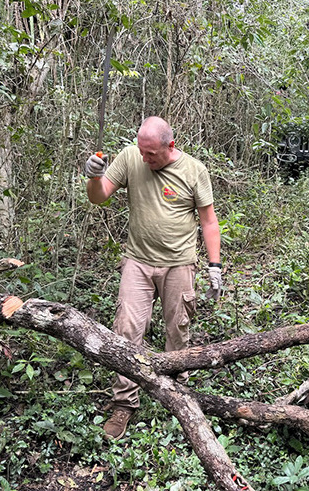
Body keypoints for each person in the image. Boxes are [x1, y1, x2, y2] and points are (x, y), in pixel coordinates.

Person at [84, 116, 222, 440]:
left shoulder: (194, 170)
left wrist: (215, 266)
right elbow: (99, 195)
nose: (145, 159)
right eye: (141, 151)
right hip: (138, 262)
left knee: (178, 331)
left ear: (170, 146)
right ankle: (124, 404)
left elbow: (209, 222)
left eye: (151, 155)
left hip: (179, 264)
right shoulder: (131, 157)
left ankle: (175, 395)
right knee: (126, 330)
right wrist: (93, 177)